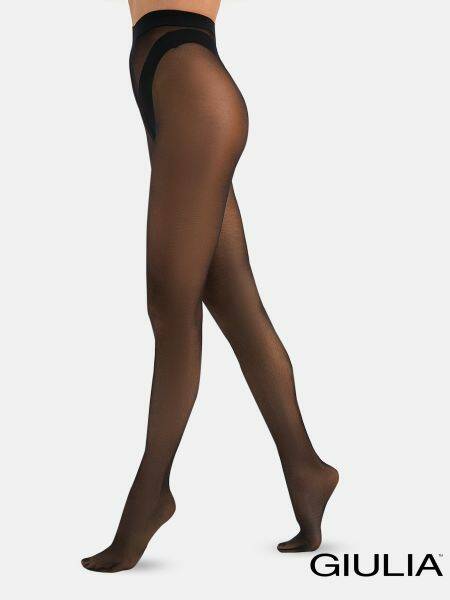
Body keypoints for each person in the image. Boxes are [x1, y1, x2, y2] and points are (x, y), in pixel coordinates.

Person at [81, 0, 338, 572]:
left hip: (192, 91)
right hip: (174, 90)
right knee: (234, 301)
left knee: (171, 306)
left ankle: (150, 496)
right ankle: (306, 468)